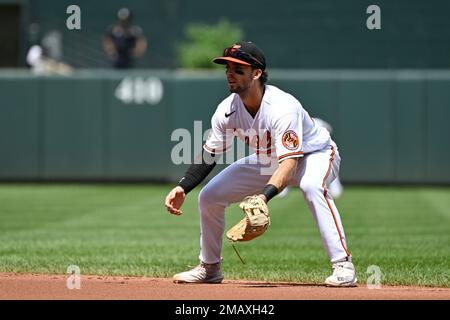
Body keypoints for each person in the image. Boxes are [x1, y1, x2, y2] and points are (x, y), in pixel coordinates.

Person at [164, 42, 357, 287]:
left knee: (311, 187)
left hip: (314, 154)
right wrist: (183, 187)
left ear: (257, 73)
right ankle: (210, 268)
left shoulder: (282, 107)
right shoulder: (227, 110)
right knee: (210, 196)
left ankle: (343, 265)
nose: (230, 73)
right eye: (227, 68)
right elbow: (210, 154)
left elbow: (289, 164)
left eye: (238, 68)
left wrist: (263, 197)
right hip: (269, 159)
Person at [278, 117, 344, 199]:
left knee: (326, 167)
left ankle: (336, 188)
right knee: (289, 165)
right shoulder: (294, 124)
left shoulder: (318, 122)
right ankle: (283, 189)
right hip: (304, 147)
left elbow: (329, 129)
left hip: (319, 148)